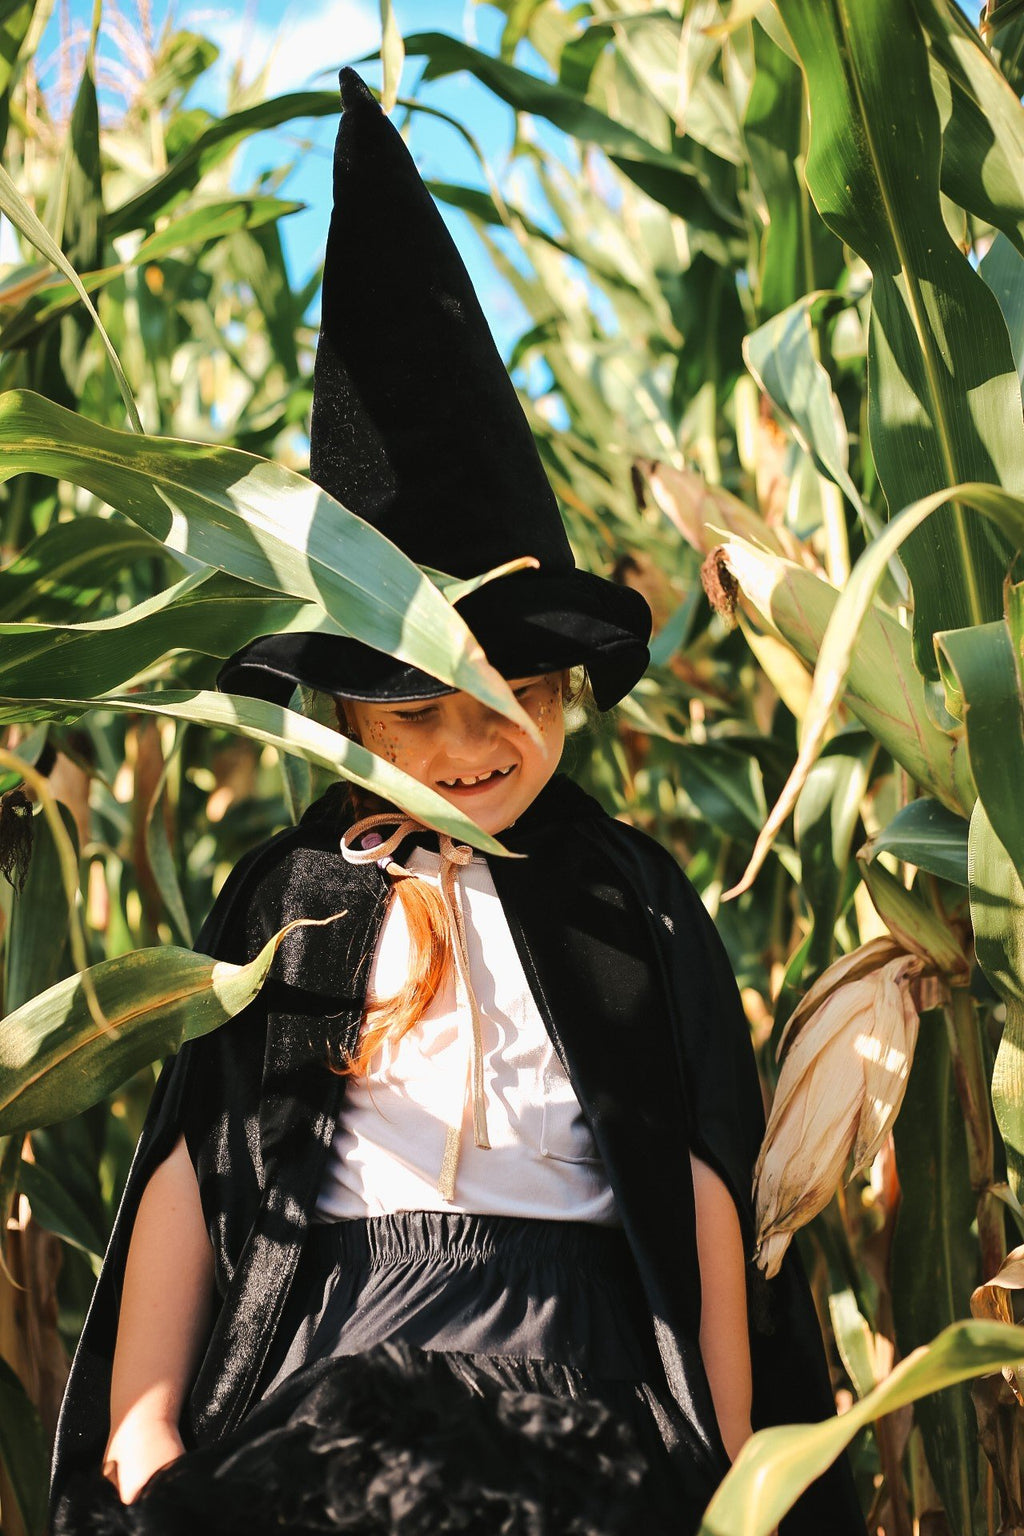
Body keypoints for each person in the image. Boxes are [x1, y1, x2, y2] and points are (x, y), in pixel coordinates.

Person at [50, 70, 865, 1535]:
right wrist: (148, 1425)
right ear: (349, 717)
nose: (468, 743)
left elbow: (697, 1180)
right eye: (412, 714)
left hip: (595, 1372)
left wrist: (734, 1463)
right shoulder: (292, 900)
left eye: (504, 700)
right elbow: (204, 1152)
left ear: (562, 687)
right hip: (335, 1360)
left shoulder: (628, 897)